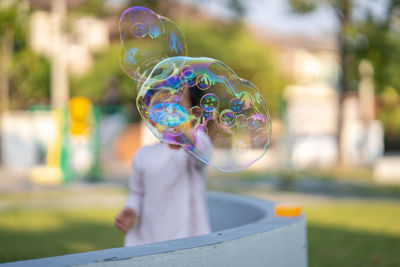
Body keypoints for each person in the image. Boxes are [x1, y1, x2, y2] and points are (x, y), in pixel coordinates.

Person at [114, 142, 210, 246]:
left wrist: (187, 137)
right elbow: (137, 192)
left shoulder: (194, 149)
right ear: (152, 124)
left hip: (189, 238)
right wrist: (132, 207)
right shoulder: (143, 154)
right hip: (149, 237)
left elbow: (202, 158)